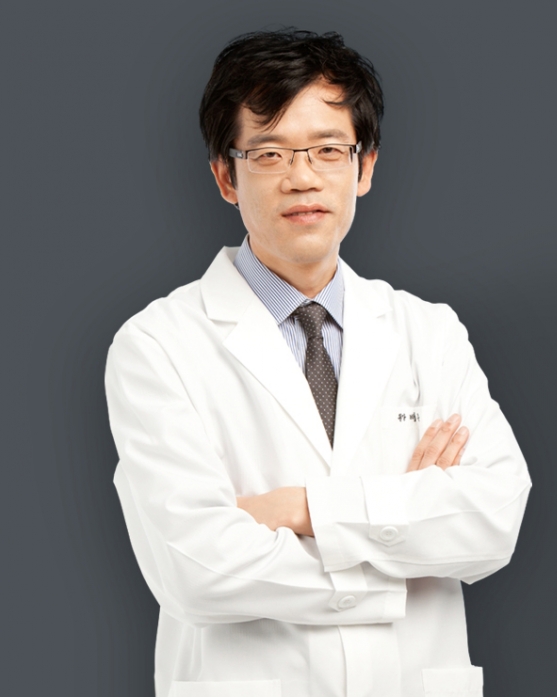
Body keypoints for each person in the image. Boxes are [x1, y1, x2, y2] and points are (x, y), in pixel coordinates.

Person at [105, 29, 531, 697]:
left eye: (329, 149)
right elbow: (197, 567)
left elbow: (494, 517)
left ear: (364, 168)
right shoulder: (157, 345)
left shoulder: (429, 331)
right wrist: (401, 542)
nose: (302, 176)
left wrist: (301, 509)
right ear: (226, 176)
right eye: (269, 152)